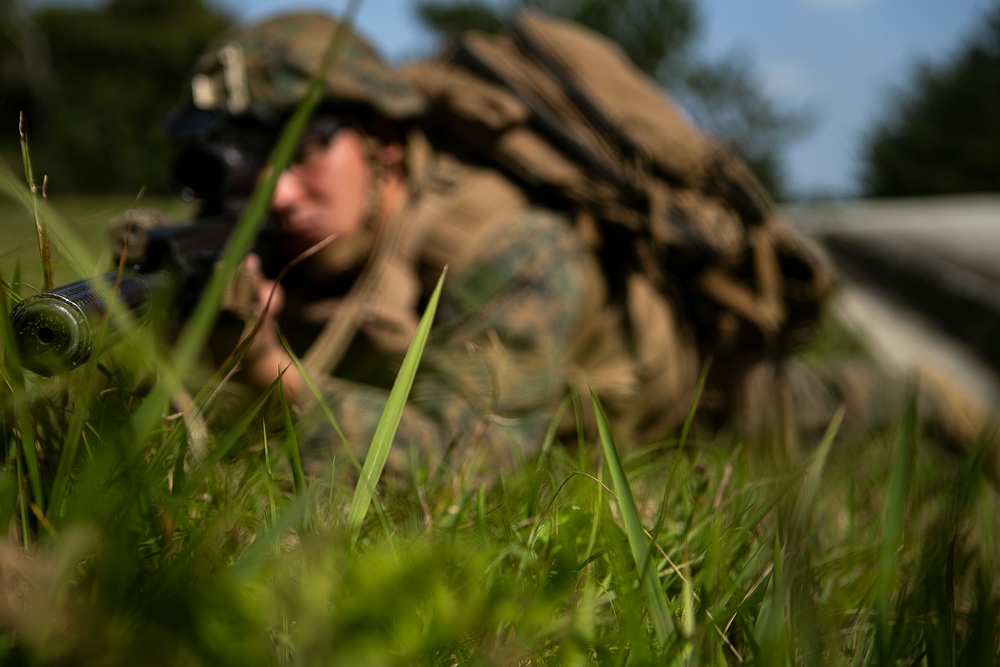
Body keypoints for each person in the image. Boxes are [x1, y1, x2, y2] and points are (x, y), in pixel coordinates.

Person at [169, 11, 996, 482]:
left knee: (801, 410)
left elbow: (465, 464)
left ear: (384, 139)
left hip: (673, 387)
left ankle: (926, 396)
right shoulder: (294, 228)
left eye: (309, 144)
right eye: (251, 158)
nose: (278, 193)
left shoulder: (509, 244)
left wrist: (272, 382)